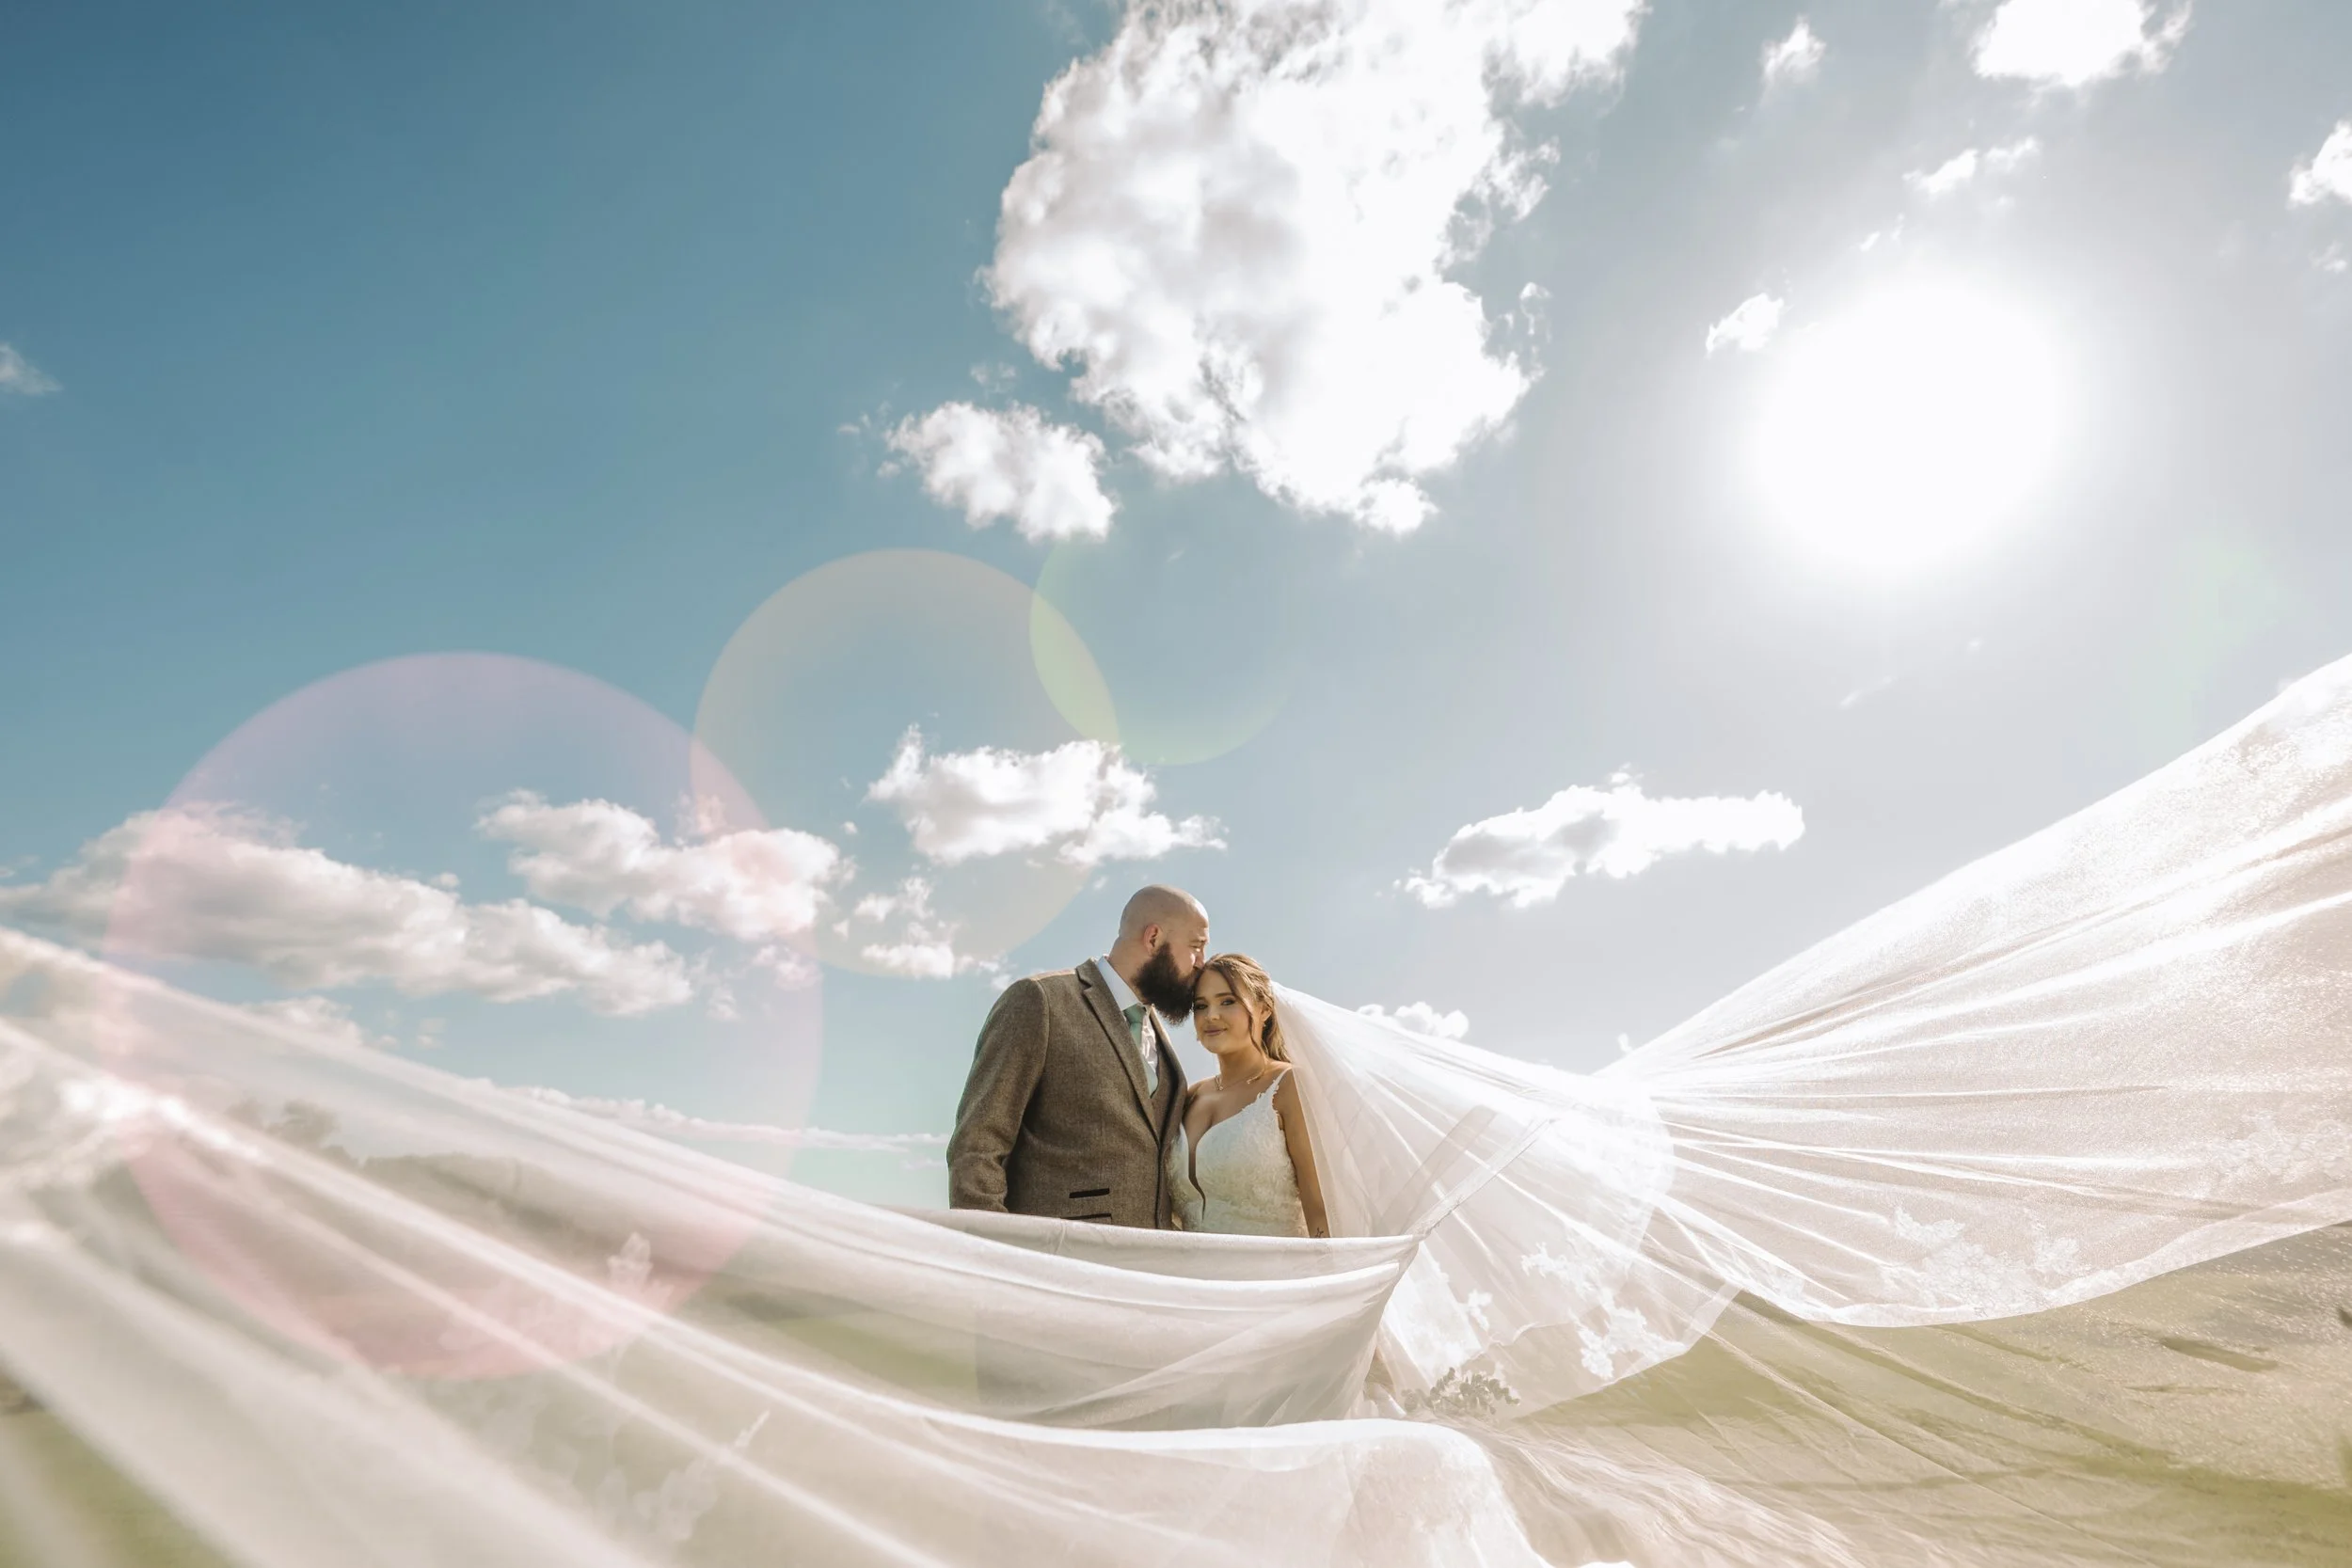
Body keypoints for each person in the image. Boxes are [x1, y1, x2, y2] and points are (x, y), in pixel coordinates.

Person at [945, 884, 1207, 1227]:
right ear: (1154, 938)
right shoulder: (1040, 1001)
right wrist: (996, 1249)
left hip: (1147, 1264)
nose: (1202, 963)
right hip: (1057, 1258)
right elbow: (977, 1145)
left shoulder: (1158, 1031)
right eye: (1196, 947)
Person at [1171, 952, 1330, 1239]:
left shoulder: (1289, 1086)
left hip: (1276, 1277)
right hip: (1192, 1279)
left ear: (1264, 1010)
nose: (1212, 1016)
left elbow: (1320, 1207)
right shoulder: (1190, 1096)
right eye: (1201, 1006)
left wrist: (1333, 1277)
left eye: (1228, 1001)